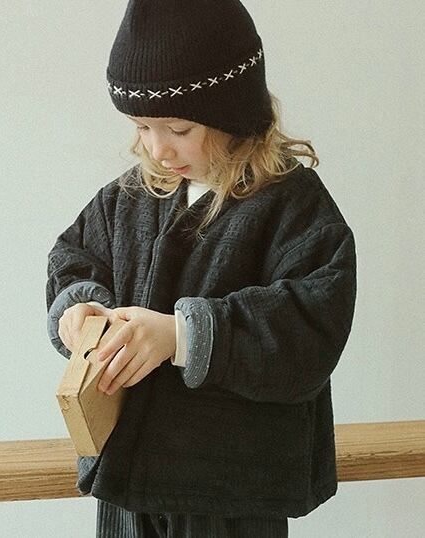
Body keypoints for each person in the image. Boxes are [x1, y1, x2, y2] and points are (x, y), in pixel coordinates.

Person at [46, 1, 357, 536]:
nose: (158, 148)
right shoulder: (129, 197)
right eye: (142, 127)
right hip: (128, 478)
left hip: (231, 487)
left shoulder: (291, 204)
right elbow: (73, 258)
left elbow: (312, 322)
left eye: (179, 127)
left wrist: (181, 335)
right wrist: (82, 309)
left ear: (233, 111)